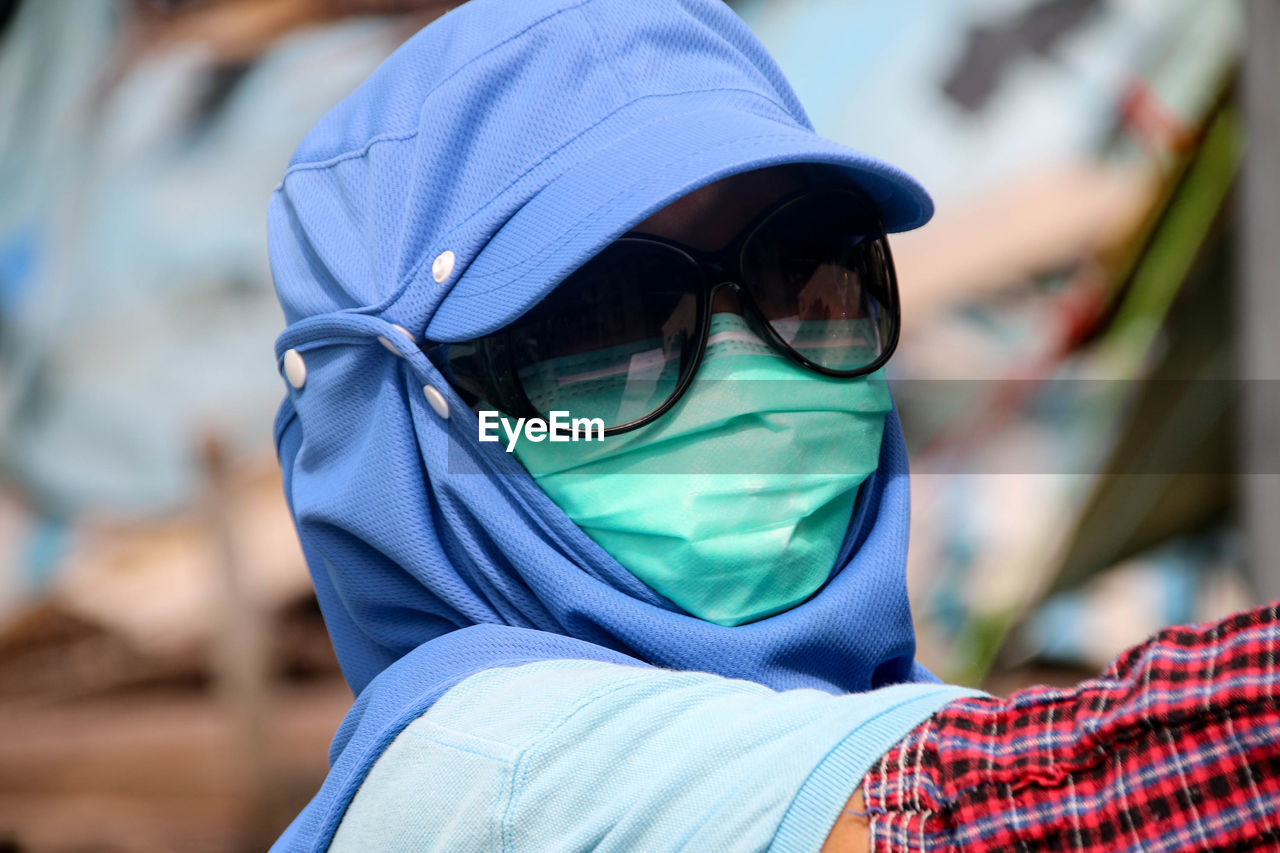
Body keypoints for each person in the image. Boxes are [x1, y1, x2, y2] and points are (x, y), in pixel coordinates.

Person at [265, 1, 1280, 850]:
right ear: (414, 423)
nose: (751, 367)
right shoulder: (493, 772)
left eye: (804, 272)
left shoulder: (857, 723)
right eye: (607, 323)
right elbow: (1026, 808)